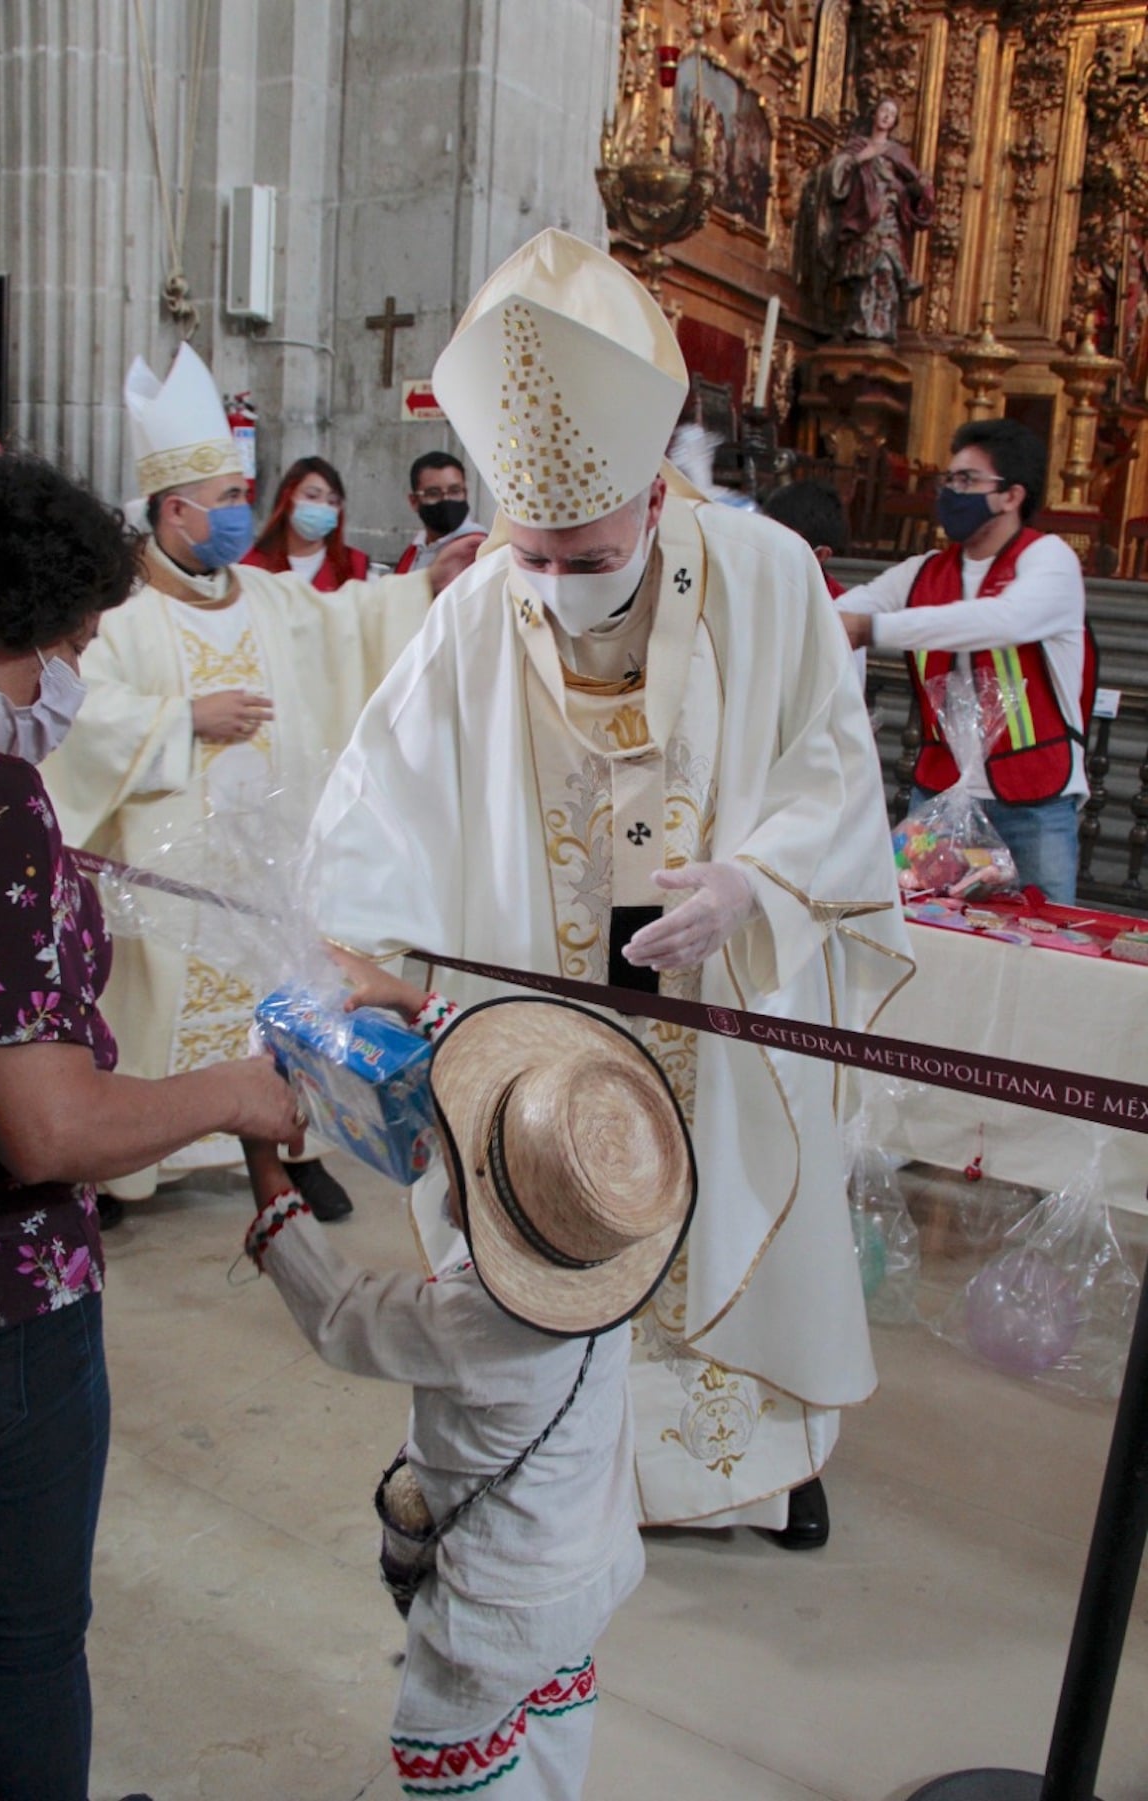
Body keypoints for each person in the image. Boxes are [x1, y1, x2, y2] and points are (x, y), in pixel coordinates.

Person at [307, 229, 913, 1550]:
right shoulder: (481, 607)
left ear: (653, 495)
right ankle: (543, 1452)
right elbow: (382, 785)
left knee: (732, 1189)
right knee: (536, 1206)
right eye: (531, 556)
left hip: (718, 982)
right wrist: (363, 952)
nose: (554, 589)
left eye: (585, 560)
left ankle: (745, 1462)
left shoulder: (768, 577)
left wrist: (756, 882)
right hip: (548, 993)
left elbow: (832, 765)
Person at [0, 449, 302, 1801]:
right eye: (65, 656)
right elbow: (43, 1125)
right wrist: (235, 1090)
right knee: (32, 1632)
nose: (68, 697)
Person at [242, 951, 696, 1799]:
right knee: (552, 1716)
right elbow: (511, 1115)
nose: (453, 1162)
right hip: (589, 1561)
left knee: (458, 1753)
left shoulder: (472, 1322)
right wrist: (411, 998)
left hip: (500, 1601)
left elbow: (343, 1315)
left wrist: (264, 1162)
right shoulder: (602, 1252)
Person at [42, 344, 476, 1221]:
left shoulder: (267, 595)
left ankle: (287, 1142)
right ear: (175, 510)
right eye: (232, 499)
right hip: (168, 875)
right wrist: (180, 720)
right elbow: (73, 708)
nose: (246, 512)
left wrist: (425, 586)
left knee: (281, 989)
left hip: (264, 863)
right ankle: (133, 1159)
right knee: (160, 998)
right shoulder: (118, 610)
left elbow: (348, 628)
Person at [837, 418, 1090, 903]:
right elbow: (841, 615)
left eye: (967, 481)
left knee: (1044, 937)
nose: (952, 492)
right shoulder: (922, 572)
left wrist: (876, 631)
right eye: (948, 480)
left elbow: (1004, 620)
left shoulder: (1049, 560)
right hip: (939, 792)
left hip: (1034, 796)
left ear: (1011, 496)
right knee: (916, 925)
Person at [814, 96, 934, 343]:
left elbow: (914, 185)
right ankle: (859, 325)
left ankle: (881, 328)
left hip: (889, 218)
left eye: (892, 113)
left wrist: (915, 188)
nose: (887, 116)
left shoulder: (897, 152)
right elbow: (834, 177)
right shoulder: (858, 146)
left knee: (885, 267)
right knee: (864, 269)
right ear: (875, 114)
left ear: (894, 123)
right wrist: (859, 160)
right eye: (884, 110)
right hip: (862, 217)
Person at [763, 480, 867, 687]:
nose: (767, 554)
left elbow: (846, 699)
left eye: (782, 547)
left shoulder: (842, 614)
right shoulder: (743, 586)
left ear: (820, 555)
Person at [242, 454, 371, 587]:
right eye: (312, 496)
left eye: (332, 501)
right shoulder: (252, 566)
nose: (323, 506)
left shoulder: (355, 566)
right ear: (287, 497)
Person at [395, 450, 486, 573]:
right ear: (414, 501)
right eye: (433, 493)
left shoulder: (478, 550)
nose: (446, 499)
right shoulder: (414, 551)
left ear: (466, 493)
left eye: (455, 491)